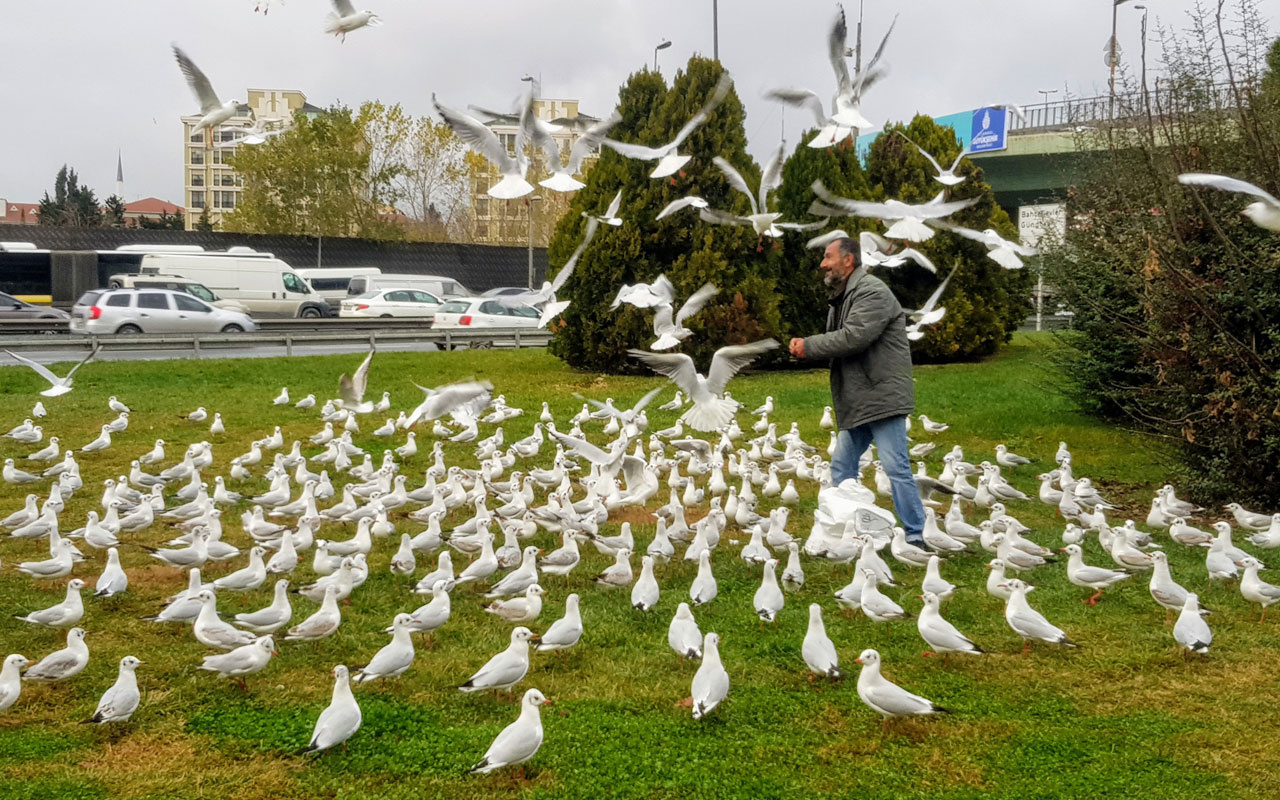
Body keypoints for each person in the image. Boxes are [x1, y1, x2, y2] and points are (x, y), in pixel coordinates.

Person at [788, 236, 927, 548]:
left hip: (882, 396)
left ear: (848, 261)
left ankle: (916, 535)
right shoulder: (844, 295)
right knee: (842, 466)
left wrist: (807, 346)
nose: (823, 264)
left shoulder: (871, 292)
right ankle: (847, 528)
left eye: (828, 257)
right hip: (862, 396)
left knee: (894, 466)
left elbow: (853, 337)